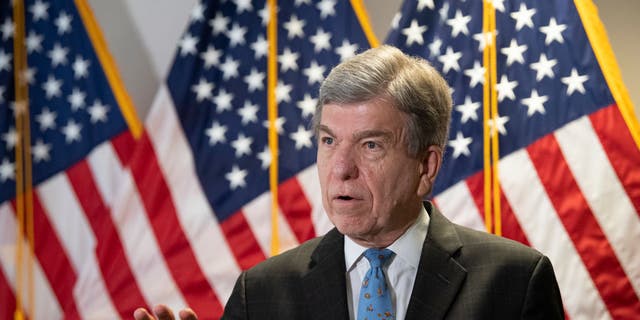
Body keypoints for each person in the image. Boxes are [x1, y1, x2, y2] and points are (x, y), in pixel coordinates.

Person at [134, 45, 564, 320]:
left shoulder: (513, 281)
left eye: (371, 145)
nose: (340, 168)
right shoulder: (261, 293)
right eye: (328, 141)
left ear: (426, 166)